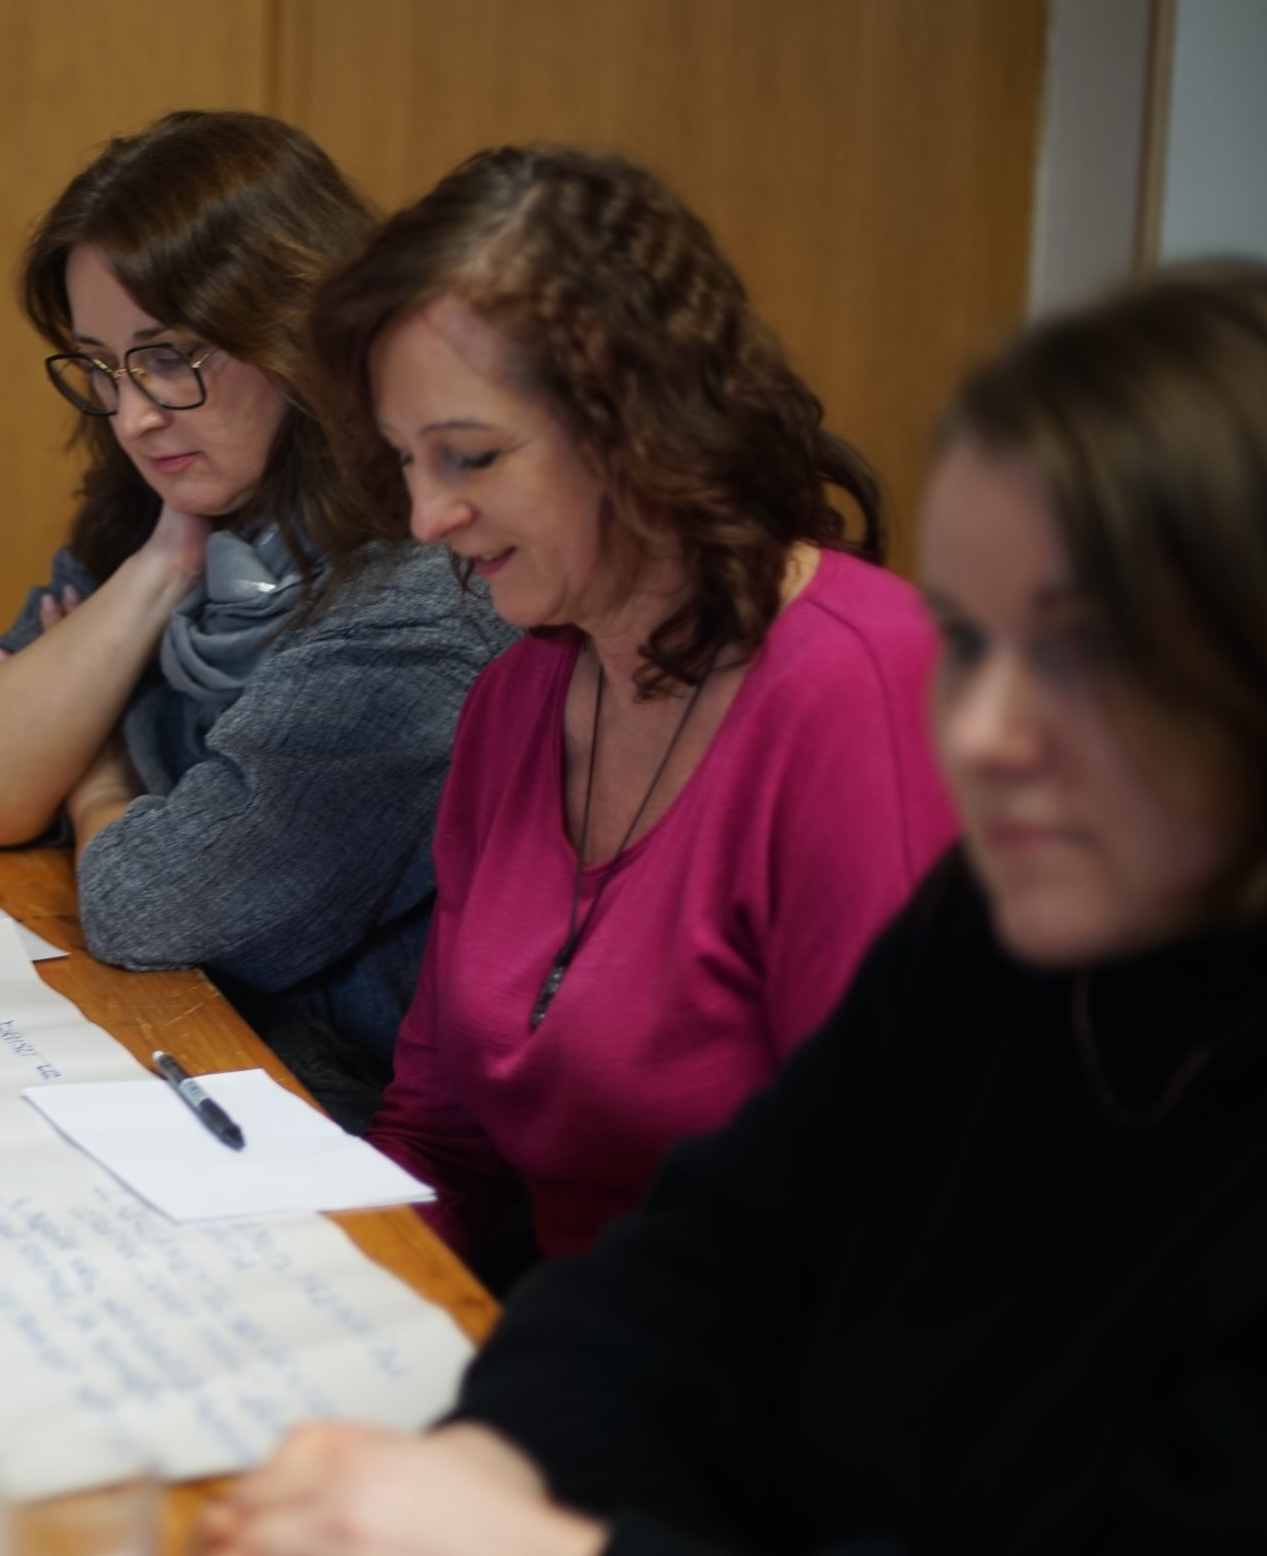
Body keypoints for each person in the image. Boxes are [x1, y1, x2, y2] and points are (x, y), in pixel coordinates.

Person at [198, 258, 1267, 1556]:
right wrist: (488, 1450)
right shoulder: (998, 931)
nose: (982, 733)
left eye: (1079, 651)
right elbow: (704, 1258)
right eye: (975, 643)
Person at [314, 146, 957, 1272]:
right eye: (407, 461)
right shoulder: (515, 701)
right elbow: (440, 1138)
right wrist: (329, 1292)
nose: (425, 517)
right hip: (583, 1329)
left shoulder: (861, 686)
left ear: (634, 422)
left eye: (470, 456)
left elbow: (893, 1227)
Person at [0, 110, 509, 1130]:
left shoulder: (421, 599)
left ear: (300, 330)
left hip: (353, 1123)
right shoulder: (183, 513)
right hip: (191, 1055)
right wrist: (162, 563)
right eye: (103, 366)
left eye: (170, 356)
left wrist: (98, 779)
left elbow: (151, 908)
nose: (134, 415)